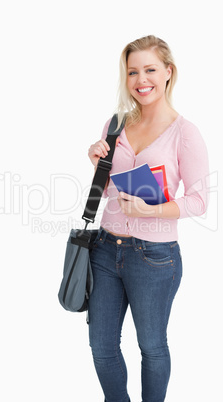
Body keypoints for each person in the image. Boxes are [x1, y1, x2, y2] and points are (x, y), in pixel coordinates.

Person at [87, 35, 209, 402]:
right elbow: (109, 193)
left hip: (154, 257)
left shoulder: (185, 133)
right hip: (105, 250)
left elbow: (199, 202)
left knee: (152, 346)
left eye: (150, 69)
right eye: (133, 71)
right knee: (101, 346)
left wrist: (151, 210)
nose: (142, 79)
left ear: (168, 72)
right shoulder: (116, 123)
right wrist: (98, 166)